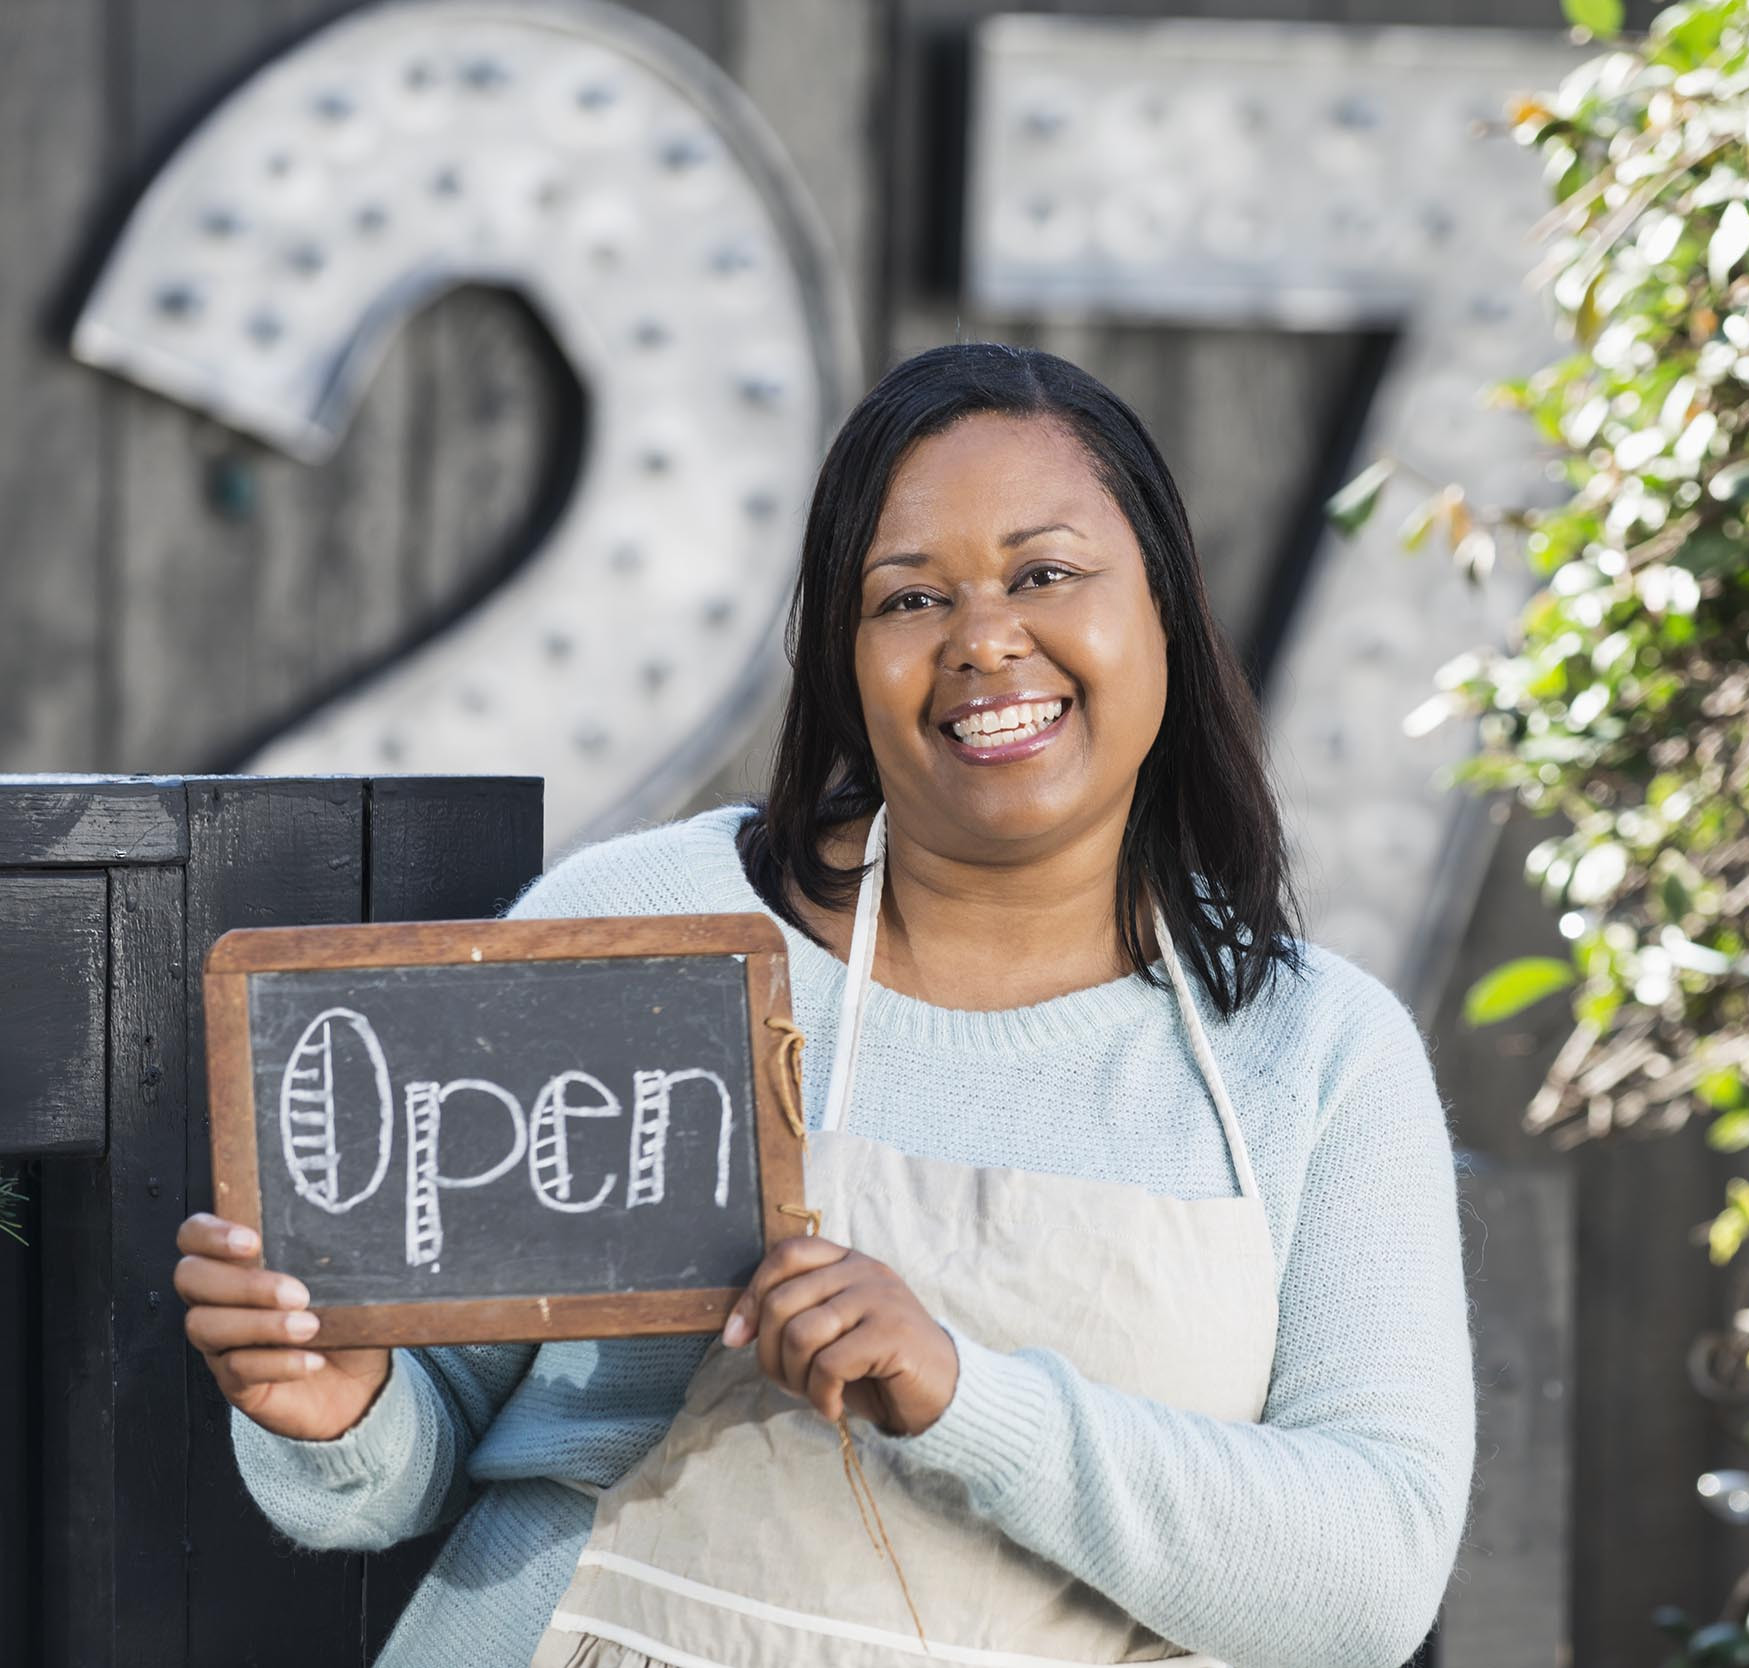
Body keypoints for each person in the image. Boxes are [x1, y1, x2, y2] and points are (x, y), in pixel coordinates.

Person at [172, 341, 1479, 1667]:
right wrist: (334, 1404)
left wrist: (964, 1398)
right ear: (847, 659)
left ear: (1164, 611)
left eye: (1047, 573)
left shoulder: (1316, 1051)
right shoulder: (652, 923)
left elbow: (1369, 1583)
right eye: (909, 598)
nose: (983, 640)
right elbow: (431, 1422)